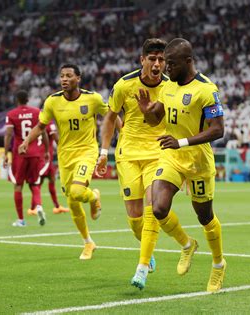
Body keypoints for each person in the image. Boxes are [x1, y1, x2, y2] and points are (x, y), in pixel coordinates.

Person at [135, 38, 226, 292]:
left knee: (205, 217)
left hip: (197, 161)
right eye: (165, 63)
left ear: (188, 62)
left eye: (170, 64)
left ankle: (218, 265)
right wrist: (146, 110)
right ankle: (187, 245)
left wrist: (182, 141)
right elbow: (156, 120)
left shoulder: (206, 90)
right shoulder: (168, 87)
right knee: (159, 207)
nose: (165, 69)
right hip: (172, 156)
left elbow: (218, 130)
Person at [95, 38, 168, 286]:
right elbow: (110, 118)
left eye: (161, 59)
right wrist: (103, 152)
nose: (157, 64)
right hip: (128, 155)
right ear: (142, 60)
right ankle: (148, 251)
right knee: (135, 218)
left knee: (152, 208)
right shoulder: (124, 85)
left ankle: (142, 266)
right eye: (152, 59)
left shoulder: (172, 87)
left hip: (158, 155)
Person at [18, 64, 105, 260]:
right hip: (65, 156)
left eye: (68, 76)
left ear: (78, 78)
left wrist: (123, 133)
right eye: (61, 76)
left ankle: (93, 197)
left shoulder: (93, 99)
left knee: (77, 191)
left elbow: (111, 116)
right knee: (73, 202)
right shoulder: (52, 102)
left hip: (87, 151)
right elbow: (41, 126)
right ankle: (88, 242)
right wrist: (26, 141)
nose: (64, 79)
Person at [3, 90, 49, 227]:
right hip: (35, 153)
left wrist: (6, 153)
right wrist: (46, 150)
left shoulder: (11, 114)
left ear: (17, 100)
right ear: (28, 99)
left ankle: (21, 220)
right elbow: (44, 132)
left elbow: (8, 135)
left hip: (20, 154)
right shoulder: (36, 112)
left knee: (18, 185)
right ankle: (39, 206)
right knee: (34, 184)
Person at [28, 121, 70, 215]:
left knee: (51, 180)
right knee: (39, 182)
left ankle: (57, 206)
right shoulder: (49, 123)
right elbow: (55, 137)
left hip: (44, 157)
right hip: (43, 158)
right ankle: (33, 208)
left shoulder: (38, 122)